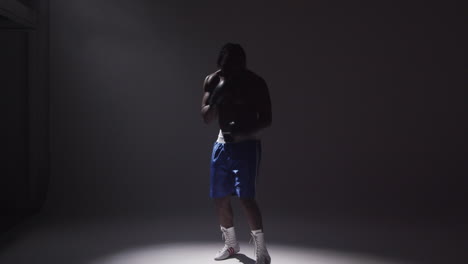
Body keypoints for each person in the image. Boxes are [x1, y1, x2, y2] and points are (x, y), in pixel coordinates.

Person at [200, 43, 272, 264]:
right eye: (225, 68)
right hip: (222, 144)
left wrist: (243, 131)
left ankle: (262, 250)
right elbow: (206, 117)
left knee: (246, 197)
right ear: (220, 65)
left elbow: (267, 118)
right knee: (220, 198)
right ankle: (232, 245)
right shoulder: (213, 80)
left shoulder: (255, 83)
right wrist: (216, 98)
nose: (229, 73)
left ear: (242, 65)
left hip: (246, 145)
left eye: (233, 68)